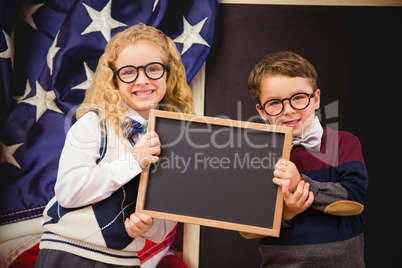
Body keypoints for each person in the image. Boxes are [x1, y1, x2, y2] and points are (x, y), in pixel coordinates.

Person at [35, 24, 194, 267]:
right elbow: (68, 193)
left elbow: (164, 224)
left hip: (125, 259)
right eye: (129, 72)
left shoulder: (175, 138)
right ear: (114, 79)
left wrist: (149, 227)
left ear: (169, 74)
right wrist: (133, 160)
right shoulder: (93, 124)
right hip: (70, 251)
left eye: (153, 69)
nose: (142, 80)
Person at [243, 51, 368, 267]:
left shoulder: (344, 142)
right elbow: (247, 230)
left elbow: (354, 201)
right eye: (274, 103)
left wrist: (300, 182)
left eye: (299, 97)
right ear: (261, 111)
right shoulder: (258, 156)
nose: (289, 110)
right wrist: (287, 212)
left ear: (316, 98)